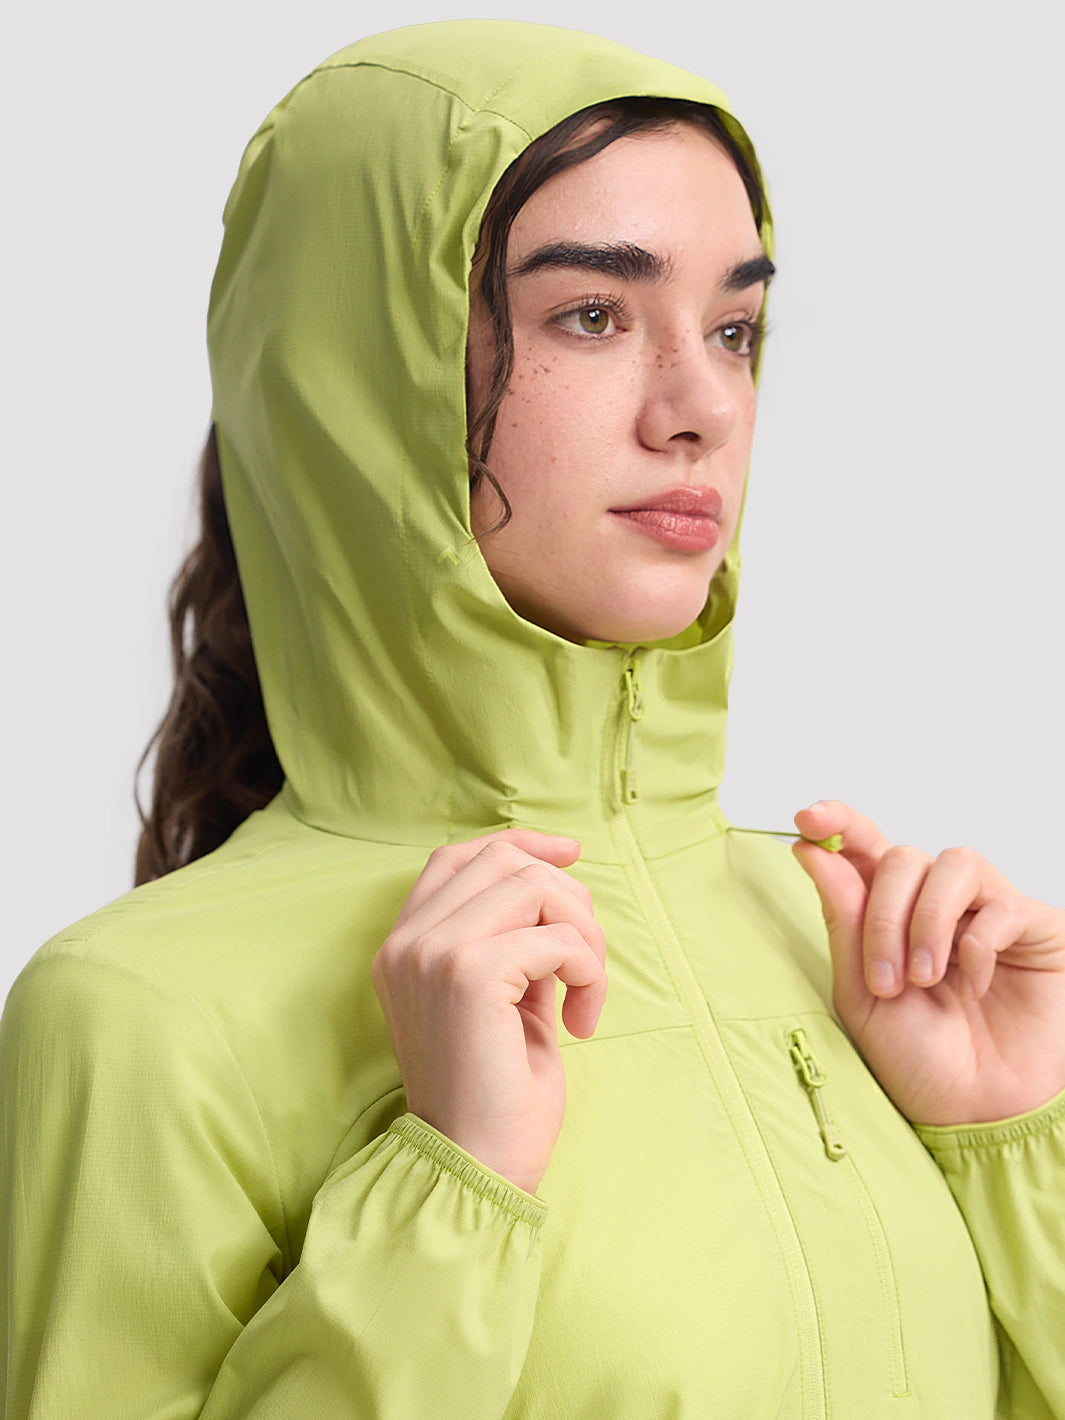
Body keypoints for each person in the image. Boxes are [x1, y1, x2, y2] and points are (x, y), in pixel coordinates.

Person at [2, 18, 1063, 1417]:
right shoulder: (139, 1017)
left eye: (734, 328)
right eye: (592, 315)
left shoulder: (845, 941)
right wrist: (450, 1195)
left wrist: (1012, 1144)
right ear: (359, 379)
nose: (701, 407)